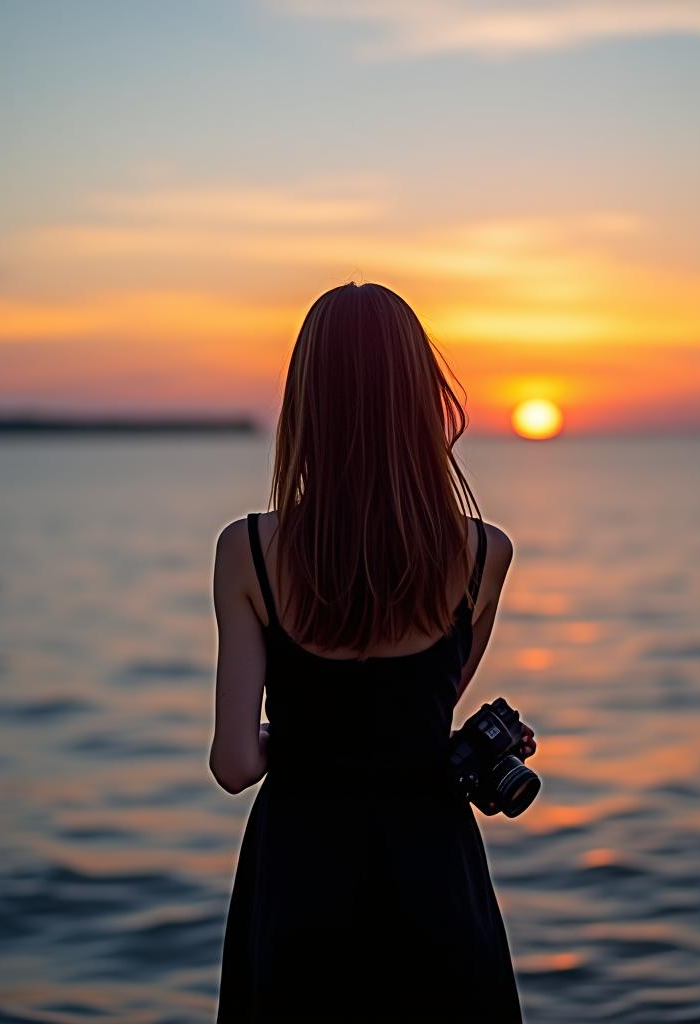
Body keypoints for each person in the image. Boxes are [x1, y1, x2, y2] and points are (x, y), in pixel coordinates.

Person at [209, 281, 534, 1023]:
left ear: (307, 402)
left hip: (299, 879)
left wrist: (290, 741)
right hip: (435, 879)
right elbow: (414, 724)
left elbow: (233, 766)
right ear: (421, 398)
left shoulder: (249, 552)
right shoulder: (484, 555)